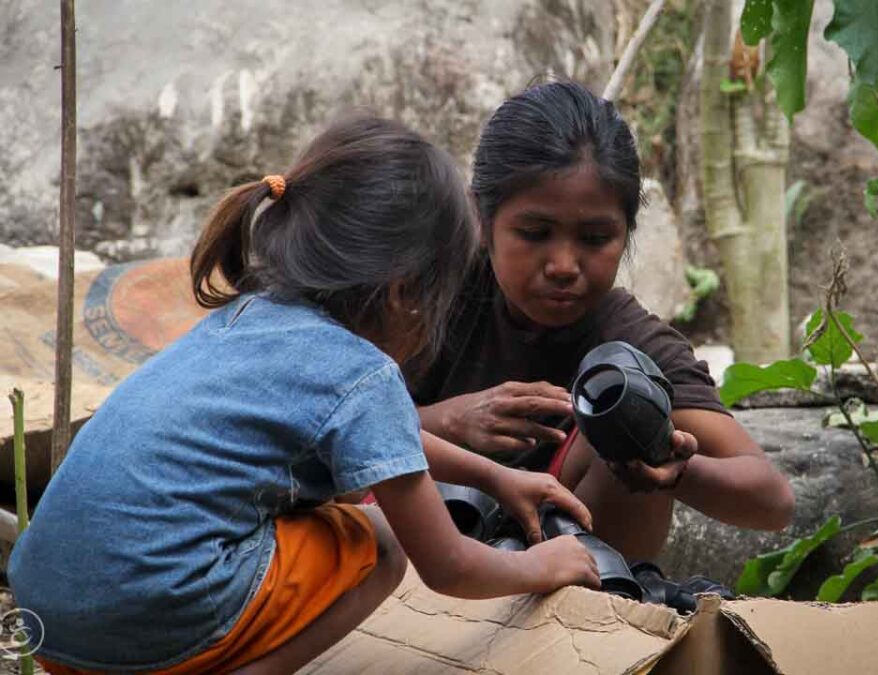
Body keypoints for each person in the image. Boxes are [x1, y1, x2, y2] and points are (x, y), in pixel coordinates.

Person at [7, 113, 600, 675]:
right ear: (404, 293)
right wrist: (537, 565)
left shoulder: (249, 316)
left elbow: (386, 442)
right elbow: (448, 566)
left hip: (51, 625)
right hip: (148, 621)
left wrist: (495, 477)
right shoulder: (360, 372)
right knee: (383, 545)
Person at [413, 81, 796, 562]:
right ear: (480, 217)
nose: (564, 265)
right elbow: (313, 419)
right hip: (410, 565)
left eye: (595, 238)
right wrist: (447, 421)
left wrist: (672, 466)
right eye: (535, 233)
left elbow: (772, 501)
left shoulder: (630, 341)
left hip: (563, 581)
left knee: (631, 423)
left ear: (626, 233)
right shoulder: (423, 293)